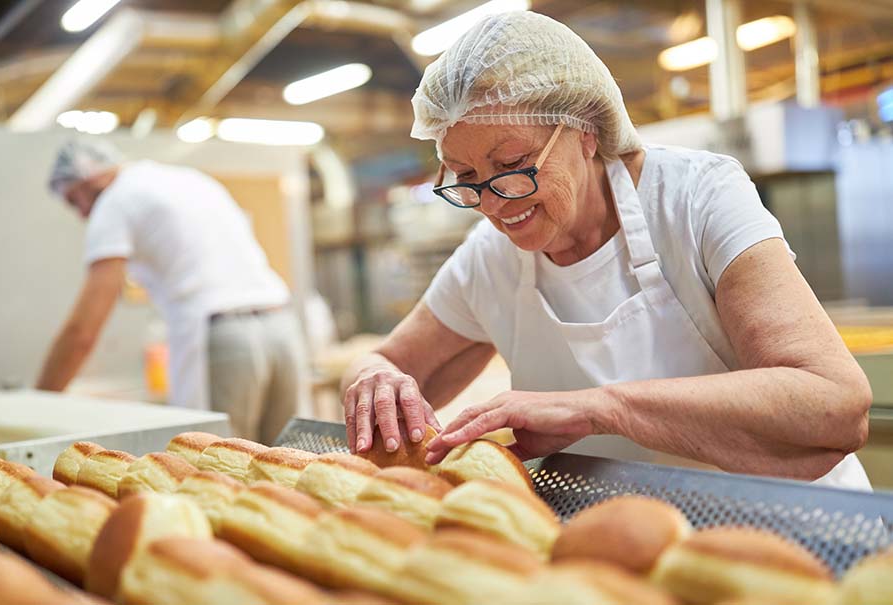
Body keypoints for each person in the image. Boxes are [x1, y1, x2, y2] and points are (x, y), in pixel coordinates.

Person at [341, 11, 872, 489]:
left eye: (513, 165)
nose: (497, 204)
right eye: (467, 178)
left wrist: (602, 408)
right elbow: (383, 360)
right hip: (624, 542)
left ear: (586, 132)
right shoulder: (490, 259)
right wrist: (373, 379)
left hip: (791, 528)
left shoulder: (694, 199)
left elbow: (833, 403)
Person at [37, 140, 309, 443]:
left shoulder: (114, 202)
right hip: (282, 327)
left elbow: (82, 332)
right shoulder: (189, 180)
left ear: (88, 179)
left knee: (218, 468)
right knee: (285, 464)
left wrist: (36, 404)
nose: (81, 215)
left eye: (75, 201)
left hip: (225, 339)